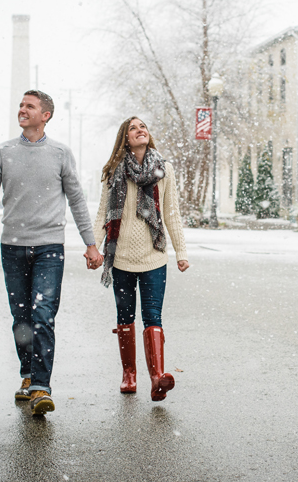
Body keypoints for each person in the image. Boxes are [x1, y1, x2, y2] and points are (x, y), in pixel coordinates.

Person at [0, 90, 103, 416]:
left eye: (30, 106)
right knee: (22, 318)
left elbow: (77, 200)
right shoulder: (4, 152)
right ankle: (27, 375)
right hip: (12, 246)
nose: (22, 110)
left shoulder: (59, 153)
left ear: (46, 115)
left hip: (49, 248)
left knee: (43, 315)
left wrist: (90, 243)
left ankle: (41, 387)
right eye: (21, 105)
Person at [92, 116, 189, 402]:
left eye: (143, 126)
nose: (140, 130)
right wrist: (94, 248)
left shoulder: (163, 169)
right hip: (120, 257)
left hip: (154, 256)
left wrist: (181, 252)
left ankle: (157, 379)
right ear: (125, 137)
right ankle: (129, 374)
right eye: (133, 128)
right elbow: (102, 214)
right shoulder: (113, 171)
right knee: (125, 317)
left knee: (153, 317)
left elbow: (171, 213)